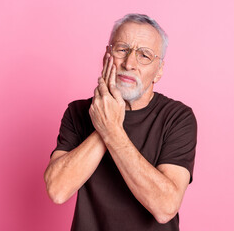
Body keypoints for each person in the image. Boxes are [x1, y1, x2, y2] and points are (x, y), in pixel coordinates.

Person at [44, 13, 197, 231]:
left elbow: (165, 207)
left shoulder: (177, 118)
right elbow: (57, 190)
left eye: (144, 55)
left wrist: (111, 129)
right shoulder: (78, 112)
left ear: (159, 71)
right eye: (122, 50)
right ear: (107, 56)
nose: (129, 63)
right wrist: (104, 121)